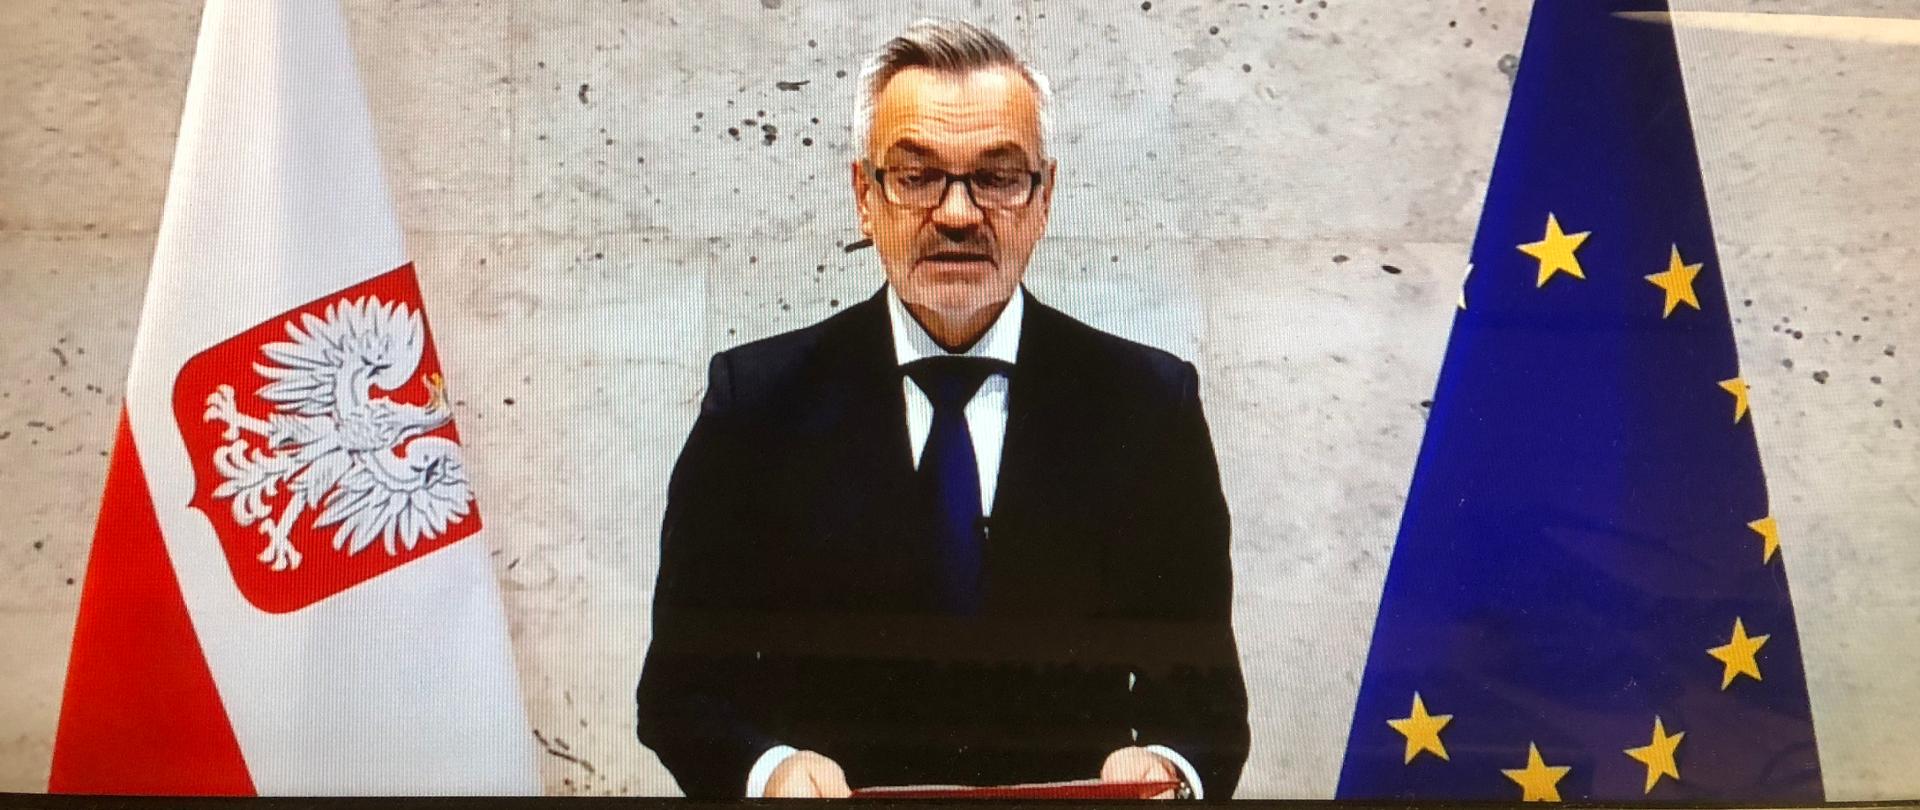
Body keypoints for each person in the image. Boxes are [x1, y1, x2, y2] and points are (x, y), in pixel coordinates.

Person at [635, 17, 1249, 799]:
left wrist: (1167, 768)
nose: (958, 213)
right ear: (865, 196)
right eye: (917, 175)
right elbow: (682, 692)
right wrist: (771, 771)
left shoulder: (1147, 407)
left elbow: (1206, 705)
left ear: (1044, 199)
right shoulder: (756, 406)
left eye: (998, 176)